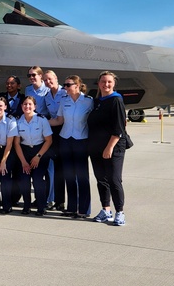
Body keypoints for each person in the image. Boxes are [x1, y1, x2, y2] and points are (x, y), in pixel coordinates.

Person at [87, 71, 129, 226]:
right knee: (101, 179)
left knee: (114, 179)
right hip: (96, 147)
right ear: (98, 83)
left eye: (109, 82)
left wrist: (109, 148)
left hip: (113, 147)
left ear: (114, 84)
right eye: (103, 81)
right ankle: (106, 210)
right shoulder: (98, 101)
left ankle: (120, 212)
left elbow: (119, 128)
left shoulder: (116, 100)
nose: (106, 84)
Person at [50, 75, 93, 219]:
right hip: (65, 139)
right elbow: (59, 120)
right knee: (69, 175)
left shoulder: (88, 101)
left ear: (77, 85)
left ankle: (84, 209)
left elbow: (94, 121)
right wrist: (39, 121)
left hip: (81, 140)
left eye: (68, 85)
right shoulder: (64, 101)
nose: (65, 87)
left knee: (82, 176)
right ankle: (72, 207)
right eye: (65, 85)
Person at [14, 95, 53, 215]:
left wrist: (38, 156)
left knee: (37, 180)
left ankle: (41, 206)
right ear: (21, 106)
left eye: (30, 104)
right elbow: (17, 143)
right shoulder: (18, 121)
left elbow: (48, 140)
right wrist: (23, 162)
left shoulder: (42, 119)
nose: (27, 106)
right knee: (24, 180)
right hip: (24, 152)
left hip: (40, 151)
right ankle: (26, 206)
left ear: (35, 106)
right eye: (25, 104)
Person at [43, 70, 66, 211]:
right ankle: (55, 200)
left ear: (56, 78)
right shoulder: (47, 96)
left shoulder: (65, 93)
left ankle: (62, 202)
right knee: (54, 167)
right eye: (45, 80)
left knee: (62, 169)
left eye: (50, 79)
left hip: (65, 130)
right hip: (53, 132)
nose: (48, 82)